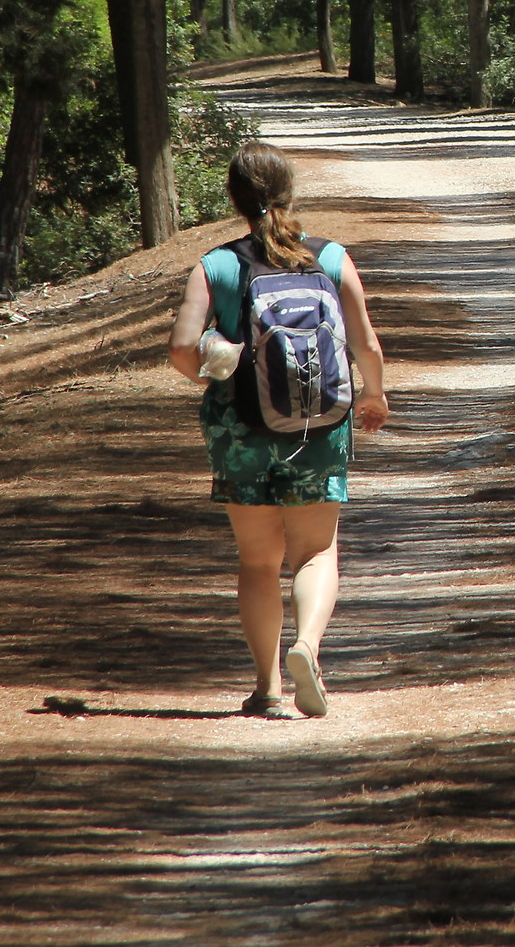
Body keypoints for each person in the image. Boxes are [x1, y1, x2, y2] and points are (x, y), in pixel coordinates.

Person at [168, 143, 390, 717]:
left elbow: (180, 352)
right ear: (289, 190)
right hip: (318, 423)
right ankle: (308, 648)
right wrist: (374, 393)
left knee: (259, 561)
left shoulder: (216, 265)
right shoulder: (331, 257)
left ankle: (266, 688)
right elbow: (364, 342)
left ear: (235, 198)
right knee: (316, 550)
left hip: (240, 430)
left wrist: (216, 370)